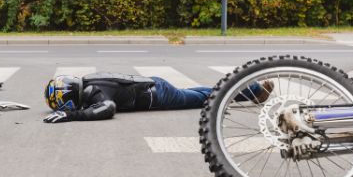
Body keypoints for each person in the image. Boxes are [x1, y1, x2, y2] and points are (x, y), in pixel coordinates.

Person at [43, 72, 274, 123]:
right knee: (204, 93)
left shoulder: (93, 92)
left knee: (206, 97)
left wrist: (72, 115)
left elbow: (108, 107)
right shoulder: (90, 81)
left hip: (158, 96)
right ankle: (254, 89)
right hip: (154, 84)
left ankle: (254, 90)